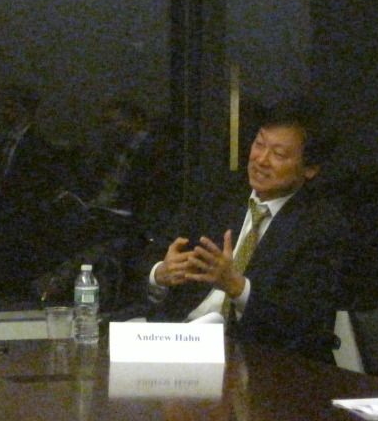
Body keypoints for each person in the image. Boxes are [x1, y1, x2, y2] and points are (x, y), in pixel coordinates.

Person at [145, 105, 349, 363]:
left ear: (310, 168)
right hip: (177, 342)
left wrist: (236, 287)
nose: (261, 160)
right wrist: (160, 274)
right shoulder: (217, 196)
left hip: (258, 360)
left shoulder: (321, 226)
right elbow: (151, 255)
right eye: (259, 144)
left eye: (278, 154)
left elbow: (305, 325)